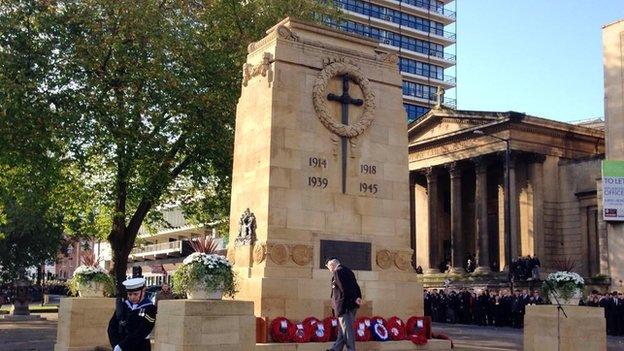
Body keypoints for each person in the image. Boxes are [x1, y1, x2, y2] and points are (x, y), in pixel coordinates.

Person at [108, 277, 157, 351]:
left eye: (135, 294)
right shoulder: (124, 306)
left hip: (140, 347)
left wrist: (122, 346)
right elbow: (112, 326)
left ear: (143, 291)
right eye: (129, 294)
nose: (132, 297)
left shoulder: (149, 308)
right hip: (120, 345)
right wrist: (115, 344)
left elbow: (142, 331)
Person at [326, 257, 362, 351]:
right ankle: (335, 349)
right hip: (351, 305)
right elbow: (355, 286)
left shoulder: (337, 272)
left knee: (347, 331)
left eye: (327, 266)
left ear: (331, 264)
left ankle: (351, 349)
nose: (328, 269)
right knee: (343, 330)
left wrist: (354, 298)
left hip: (344, 306)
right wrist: (357, 297)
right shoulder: (348, 270)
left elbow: (344, 288)